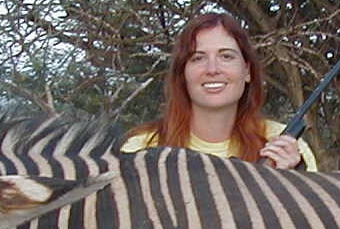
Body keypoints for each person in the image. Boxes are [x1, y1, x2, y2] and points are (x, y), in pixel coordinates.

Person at [122, 12, 318, 170]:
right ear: (182, 74)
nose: (213, 69)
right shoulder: (138, 150)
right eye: (198, 58)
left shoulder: (288, 147)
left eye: (226, 56)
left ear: (247, 71)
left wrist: (293, 179)